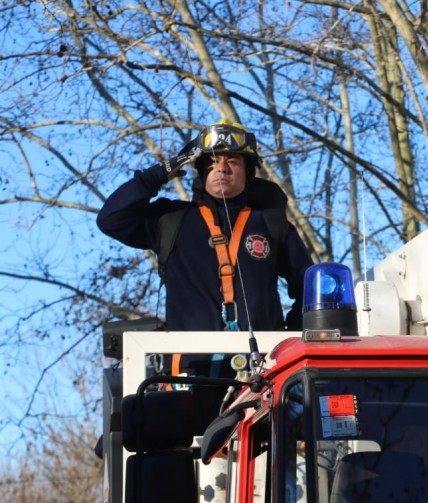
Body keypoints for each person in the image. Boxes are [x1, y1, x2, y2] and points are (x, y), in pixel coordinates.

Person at [97, 120, 313, 380]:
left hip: (261, 372)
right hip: (190, 372)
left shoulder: (269, 222)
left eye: (232, 160)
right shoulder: (171, 219)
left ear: (248, 171)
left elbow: (309, 286)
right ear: (200, 170)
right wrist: (160, 173)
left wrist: (287, 340)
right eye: (211, 161)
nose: (221, 168)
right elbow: (111, 219)